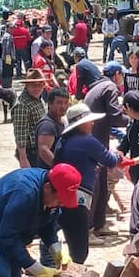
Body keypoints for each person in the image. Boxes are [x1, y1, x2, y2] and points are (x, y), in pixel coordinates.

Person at [54, 103, 121, 264]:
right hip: (79, 196)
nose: (92, 123)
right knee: (80, 248)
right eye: (89, 121)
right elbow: (110, 160)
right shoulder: (88, 142)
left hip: (62, 195)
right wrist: (118, 155)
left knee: (69, 237)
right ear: (81, 124)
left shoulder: (64, 141)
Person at [84, 62, 128, 234]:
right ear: (117, 74)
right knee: (95, 186)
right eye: (121, 75)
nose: (122, 79)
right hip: (95, 142)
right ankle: (88, 229)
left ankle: (99, 224)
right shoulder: (110, 87)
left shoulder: (98, 86)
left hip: (96, 139)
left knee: (102, 184)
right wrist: (132, 118)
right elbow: (115, 117)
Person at [12, 68, 48, 168]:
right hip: (30, 151)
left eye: (40, 85)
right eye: (33, 85)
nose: (37, 88)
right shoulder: (22, 104)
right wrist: (23, 158)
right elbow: (20, 132)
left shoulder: (39, 99)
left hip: (39, 148)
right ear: (26, 86)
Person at [35, 87, 70, 170]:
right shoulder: (47, 125)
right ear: (50, 104)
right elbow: (44, 151)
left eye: (66, 102)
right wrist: (61, 170)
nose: (63, 106)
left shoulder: (62, 121)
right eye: (59, 103)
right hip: (49, 173)